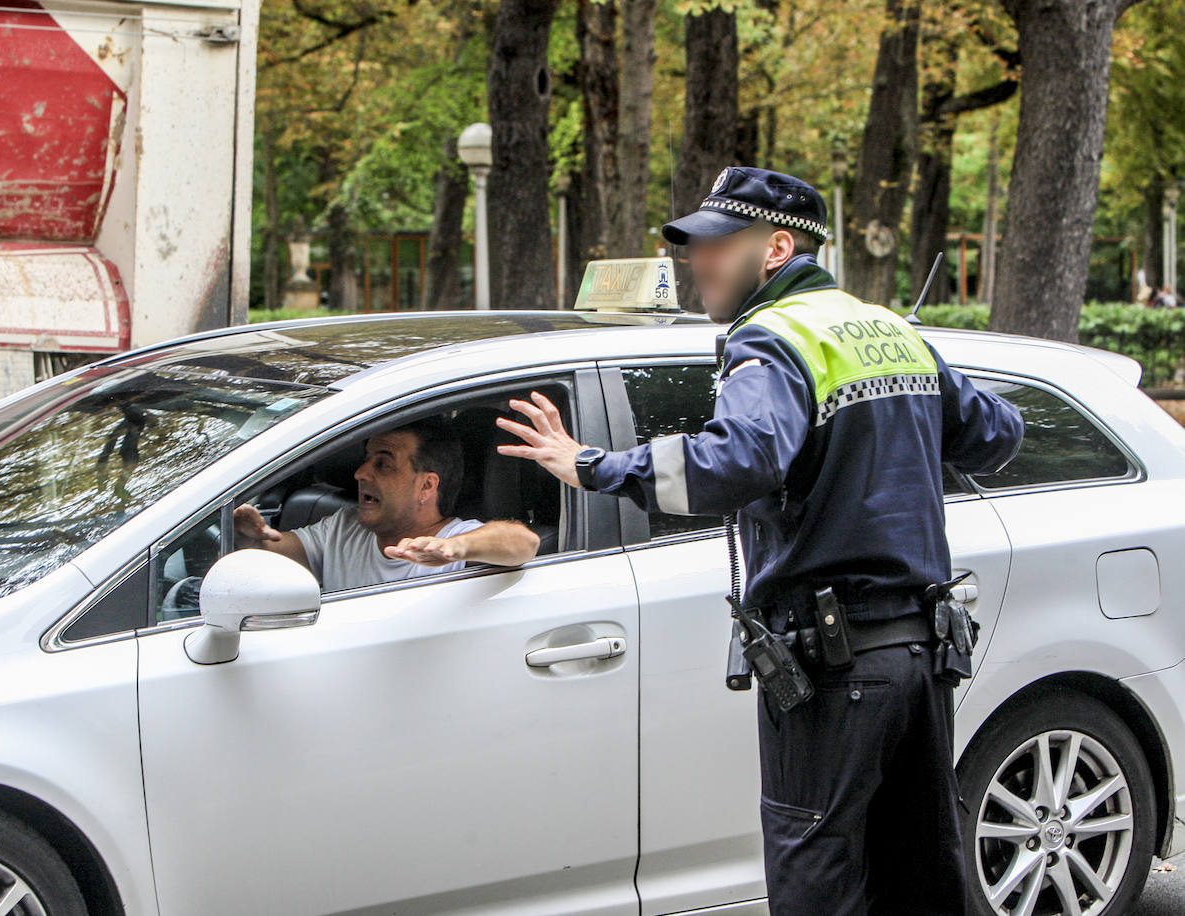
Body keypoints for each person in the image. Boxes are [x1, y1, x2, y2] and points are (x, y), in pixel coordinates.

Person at [497, 166, 1024, 915]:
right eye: (692, 247)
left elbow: (737, 461)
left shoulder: (769, 340)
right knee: (919, 876)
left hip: (832, 669)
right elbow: (998, 436)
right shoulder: (889, 331)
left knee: (817, 880)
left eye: (717, 244)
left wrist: (595, 465)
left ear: (777, 248)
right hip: (921, 660)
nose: (698, 262)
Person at [233, 418, 540, 592]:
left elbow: (524, 542)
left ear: (426, 486)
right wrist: (246, 534)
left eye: (383, 464)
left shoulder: (453, 540)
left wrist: (457, 548)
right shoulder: (344, 527)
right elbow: (271, 553)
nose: (360, 473)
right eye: (366, 460)